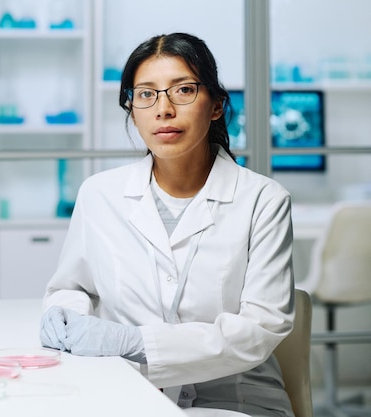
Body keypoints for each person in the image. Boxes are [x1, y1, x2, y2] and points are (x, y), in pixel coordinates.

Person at [39, 33, 295, 416]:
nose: (163, 109)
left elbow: (260, 329)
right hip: (129, 389)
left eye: (183, 90)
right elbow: (73, 287)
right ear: (132, 108)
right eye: (146, 94)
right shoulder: (99, 195)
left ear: (216, 106)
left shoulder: (263, 200)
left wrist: (135, 340)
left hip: (236, 399)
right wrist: (64, 315)